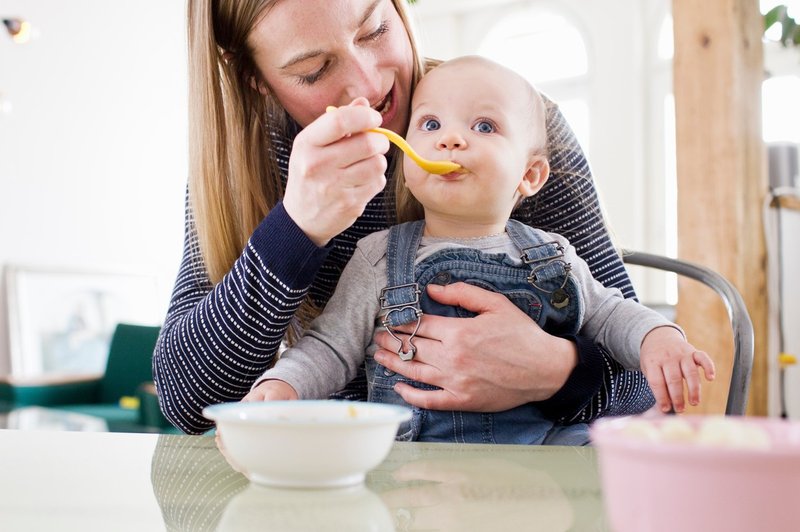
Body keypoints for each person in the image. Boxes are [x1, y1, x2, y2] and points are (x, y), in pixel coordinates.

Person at [154, 0, 661, 436]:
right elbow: (185, 400)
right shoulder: (245, 163)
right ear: (255, 79)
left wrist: (558, 372)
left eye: (374, 29)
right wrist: (295, 230)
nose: (368, 84)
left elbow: (641, 386)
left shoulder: (511, 129)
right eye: (313, 69)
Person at [246, 56, 715, 444]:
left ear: (529, 176)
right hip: (411, 466)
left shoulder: (554, 254)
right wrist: (283, 386)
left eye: (484, 126)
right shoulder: (378, 256)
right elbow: (331, 347)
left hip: (542, 458)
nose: (450, 139)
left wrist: (660, 339)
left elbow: (614, 315)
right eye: (430, 123)